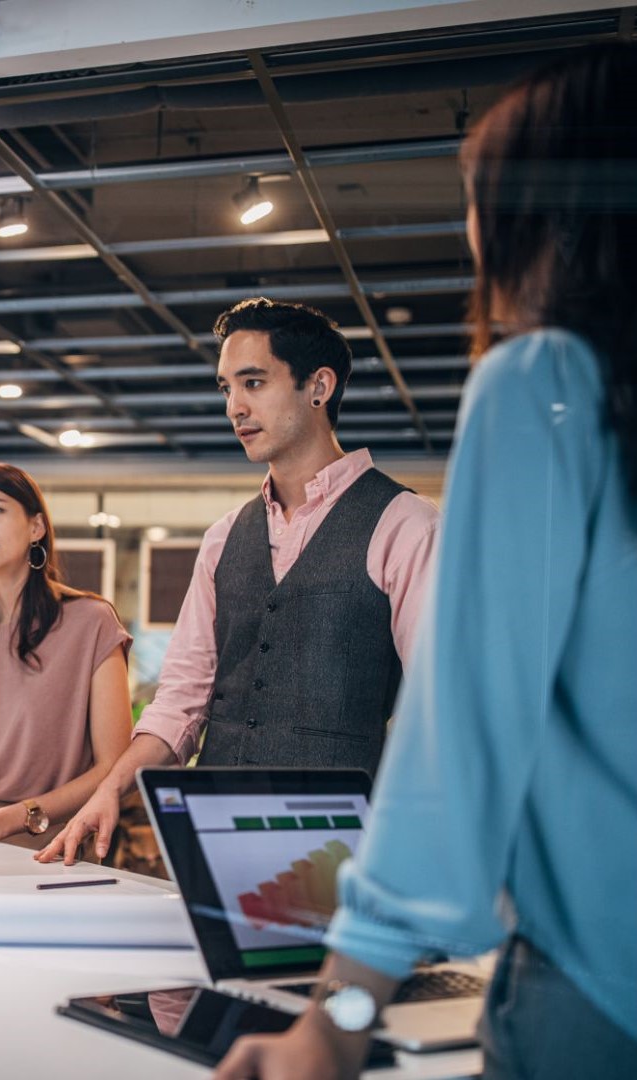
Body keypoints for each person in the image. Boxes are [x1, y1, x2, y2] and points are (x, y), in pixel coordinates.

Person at [217, 44, 637, 1080]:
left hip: (597, 988)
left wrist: (342, 1011)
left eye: (477, 199)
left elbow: (461, 727)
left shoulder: (544, 383)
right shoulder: (235, 528)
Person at [39, 298, 440, 865]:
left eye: (253, 382)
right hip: (216, 839)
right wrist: (110, 788)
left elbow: (438, 710)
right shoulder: (223, 538)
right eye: (227, 387)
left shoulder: (406, 524)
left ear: (318, 386)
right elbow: (179, 703)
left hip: (342, 851)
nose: (235, 407)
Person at [0, 463, 133, 846]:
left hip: (45, 853)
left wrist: (5, 821)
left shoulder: (90, 622)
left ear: (36, 527)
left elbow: (114, 768)